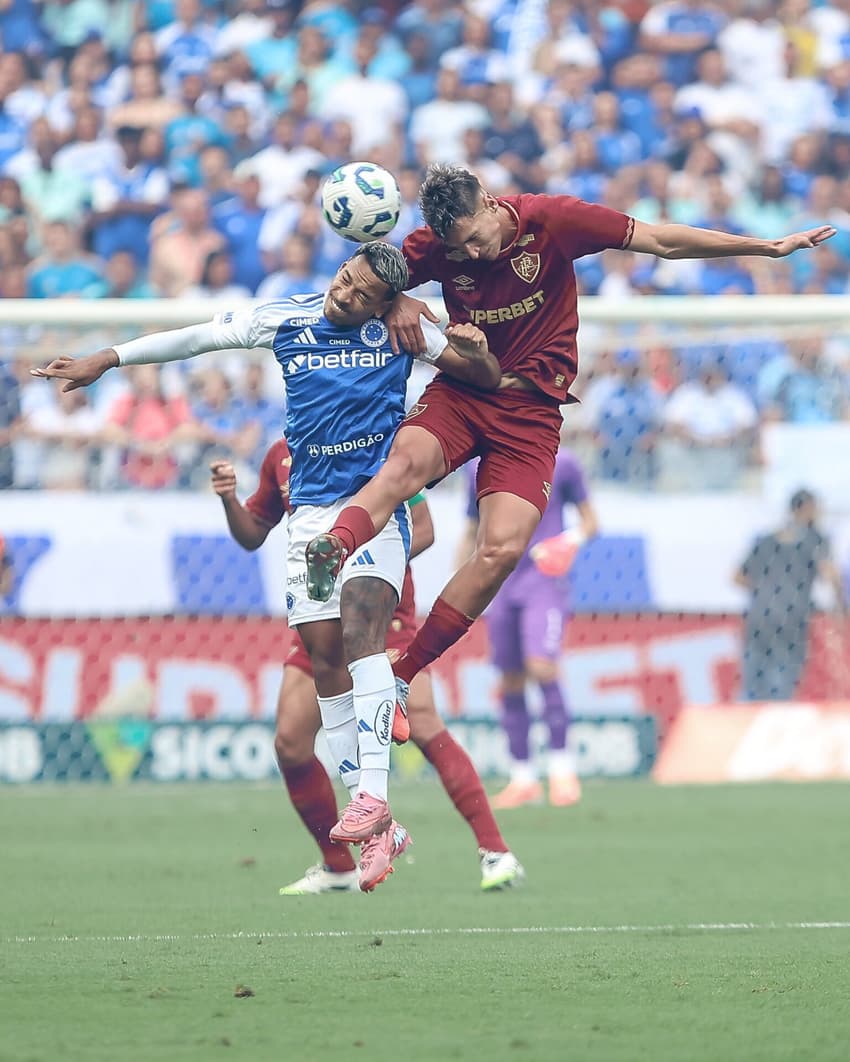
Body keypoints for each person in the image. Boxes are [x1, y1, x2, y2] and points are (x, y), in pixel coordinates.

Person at [33, 241, 501, 892]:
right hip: (308, 515)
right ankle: (380, 824)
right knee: (326, 663)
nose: (346, 295)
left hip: (374, 506)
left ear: (385, 300)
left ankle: (372, 794)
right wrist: (108, 359)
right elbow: (197, 339)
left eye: (363, 294)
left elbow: (482, 377)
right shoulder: (285, 318)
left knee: (366, 635)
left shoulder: (401, 328)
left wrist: (463, 339)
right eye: (346, 280)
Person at [304, 163, 835, 719]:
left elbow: (659, 241)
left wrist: (766, 247)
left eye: (477, 239)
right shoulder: (433, 246)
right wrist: (397, 301)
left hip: (531, 411)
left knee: (502, 548)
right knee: (403, 468)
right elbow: (352, 286)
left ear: (487, 201)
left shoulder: (552, 220)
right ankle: (333, 548)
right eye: (460, 249)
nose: (475, 255)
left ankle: (402, 674)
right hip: (462, 391)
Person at [210, 443, 523, 894]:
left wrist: (362, 568)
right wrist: (228, 499)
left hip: (378, 617)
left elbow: (424, 528)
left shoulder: (374, 445)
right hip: (320, 617)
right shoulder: (281, 455)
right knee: (291, 742)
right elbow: (254, 532)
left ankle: (495, 851)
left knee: (421, 722)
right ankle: (338, 866)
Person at [459, 447, 598, 809]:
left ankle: (562, 770)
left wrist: (567, 542)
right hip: (501, 581)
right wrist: (460, 586)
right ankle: (523, 777)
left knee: (542, 666)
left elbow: (590, 522)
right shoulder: (476, 467)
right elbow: (472, 528)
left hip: (544, 580)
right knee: (510, 679)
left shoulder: (562, 462)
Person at [734, 489, 846, 702]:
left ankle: (744, 729)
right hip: (791, 619)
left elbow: (737, 577)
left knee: (751, 685)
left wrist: (767, 591)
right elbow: (831, 575)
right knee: (782, 686)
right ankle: (774, 730)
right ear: (807, 509)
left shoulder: (766, 540)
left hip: (758, 617)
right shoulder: (815, 539)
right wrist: (840, 608)